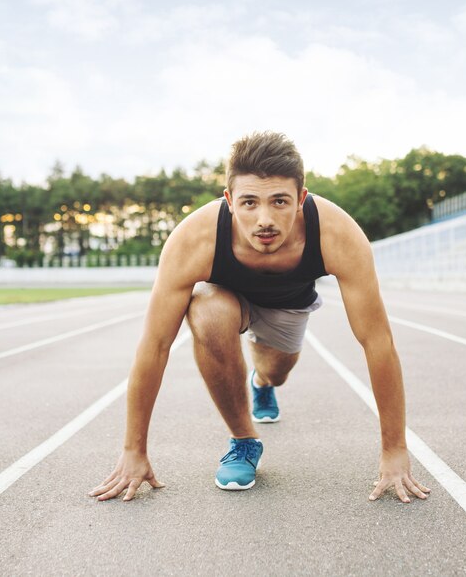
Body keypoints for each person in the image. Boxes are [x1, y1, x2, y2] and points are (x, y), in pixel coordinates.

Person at [89, 131, 430, 504]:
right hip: (228, 301)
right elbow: (155, 345)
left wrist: (394, 450)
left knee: (276, 371)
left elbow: (377, 341)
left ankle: (262, 381)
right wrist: (134, 451)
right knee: (206, 309)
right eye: (249, 202)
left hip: (289, 307)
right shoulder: (194, 239)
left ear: (301, 199)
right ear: (229, 201)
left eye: (279, 201)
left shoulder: (337, 233)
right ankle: (243, 440)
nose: (264, 219)